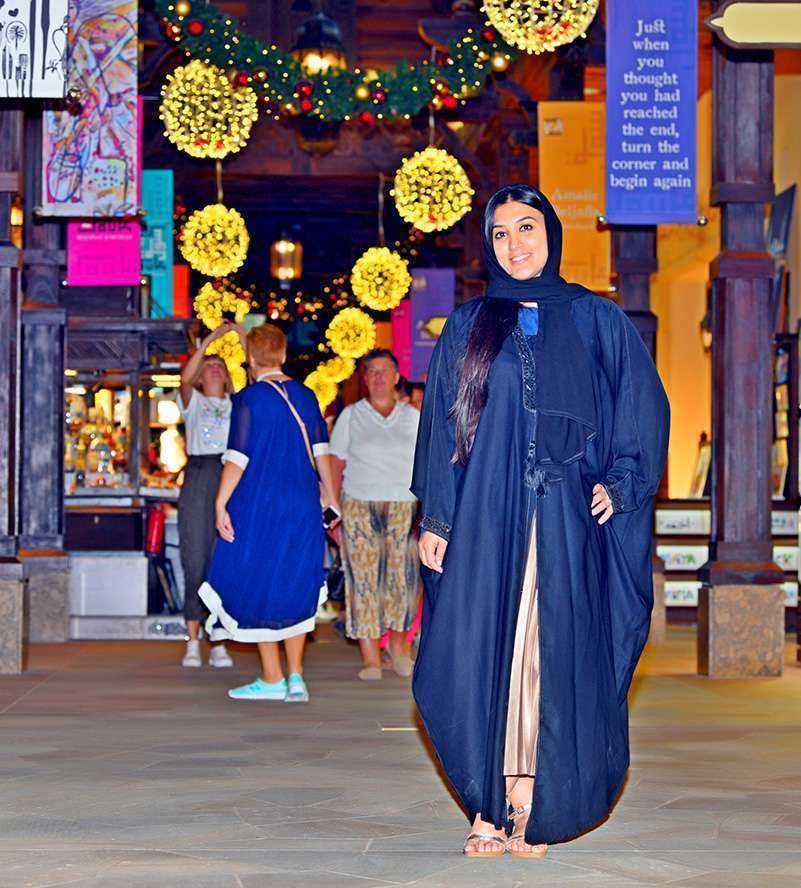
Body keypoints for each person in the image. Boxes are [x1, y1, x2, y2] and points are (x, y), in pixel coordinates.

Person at [411, 185, 669, 858]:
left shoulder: (594, 319)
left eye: (525, 227)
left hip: (563, 519)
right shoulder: (468, 325)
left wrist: (621, 480)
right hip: (482, 518)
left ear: (550, 233)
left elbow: (638, 405)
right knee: (475, 651)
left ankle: (527, 799)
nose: (514, 243)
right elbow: (441, 427)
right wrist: (437, 516)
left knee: (543, 653)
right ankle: (485, 804)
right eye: (499, 233)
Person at [198, 324, 340, 703]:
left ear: (249, 359)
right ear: (283, 355)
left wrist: (220, 502)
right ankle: (296, 677)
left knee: (259, 580)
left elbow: (238, 458)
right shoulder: (307, 396)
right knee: (295, 581)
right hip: (301, 504)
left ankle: (273, 676)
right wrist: (332, 498)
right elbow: (322, 451)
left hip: (260, 504)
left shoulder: (249, 400)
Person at [329, 350, 420, 680]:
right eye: (372, 372)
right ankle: (370, 659)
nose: (379, 377)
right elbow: (335, 465)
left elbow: (427, 465)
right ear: (364, 379)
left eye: (385, 371)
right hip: (358, 504)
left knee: (404, 579)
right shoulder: (351, 416)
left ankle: (399, 650)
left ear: (397, 377)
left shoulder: (414, 418)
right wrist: (332, 511)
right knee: (363, 580)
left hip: (403, 506)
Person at [177, 323, 237, 669]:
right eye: (208, 365)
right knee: (195, 554)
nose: (214, 368)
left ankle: (220, 639)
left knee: (222, 559)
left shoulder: (236, 404)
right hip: (199, 474)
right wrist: (210, 342)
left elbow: (259, 377)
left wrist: (242, 338)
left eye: (220, 365)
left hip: (229, 474)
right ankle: (193, 639)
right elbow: (184, 379)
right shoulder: (194, 401)